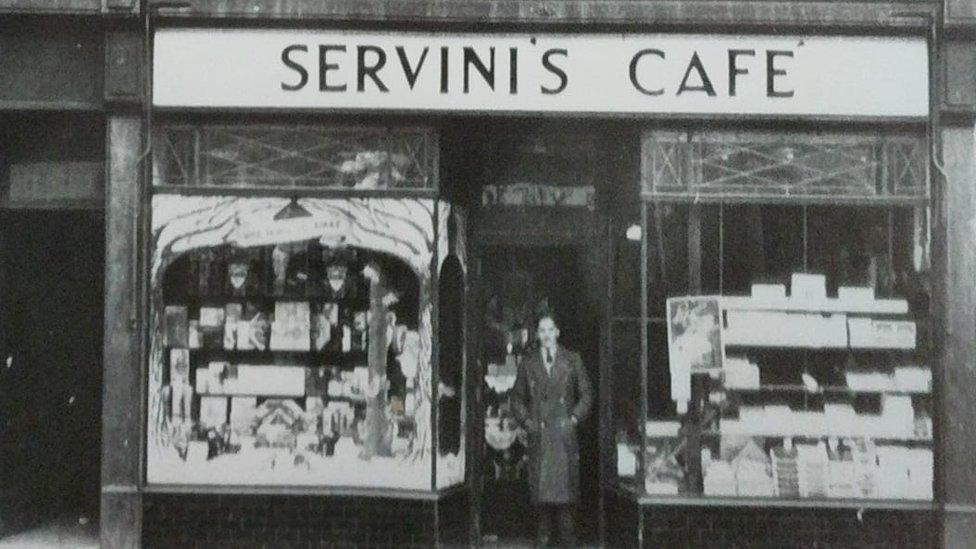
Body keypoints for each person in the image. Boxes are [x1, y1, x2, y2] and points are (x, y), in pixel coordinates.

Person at [511, 314, 593, 547]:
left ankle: (568, 542)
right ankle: (543, 541)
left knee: (565, 503)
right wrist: (528, 422)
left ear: (558, 332)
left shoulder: (572, 359)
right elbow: (516, 399)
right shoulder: (529, 362)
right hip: (541, 436)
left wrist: (574, 418)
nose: (546, 335)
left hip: (563, 437)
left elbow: (587, 393)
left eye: (550, 330)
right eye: (542, 331)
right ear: (537, 335)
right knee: (542, 501)